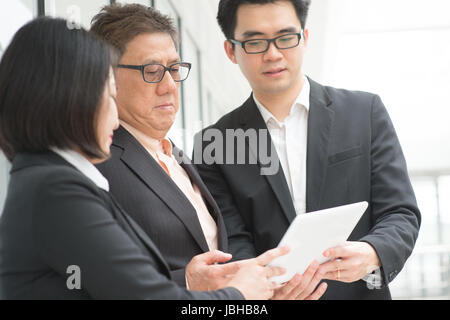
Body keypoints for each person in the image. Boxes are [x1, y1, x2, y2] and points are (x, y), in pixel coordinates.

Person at [0, 17, 287, 300]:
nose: (114, 120)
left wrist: (195, 281)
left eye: (174, 69)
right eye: (109, 97)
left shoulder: (47, 180)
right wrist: (242, 297)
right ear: (71, 100)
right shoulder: (57, 189)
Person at [92, 3, 327, 300]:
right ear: (107, 77)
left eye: (174, 69)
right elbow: (97, 280)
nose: (169, 86)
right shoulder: (98, 164)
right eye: (152, 71)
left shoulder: (179, 158)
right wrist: (188, 282)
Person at [193, 0, 421, 299]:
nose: (273, 54)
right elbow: (233, 239)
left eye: (286, 38)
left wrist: (372, 252)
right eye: (255, 42)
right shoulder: (215, 143)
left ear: (305, 38)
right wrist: (263, 286)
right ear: (231, 51)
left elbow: (400, 212)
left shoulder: (364, 113)